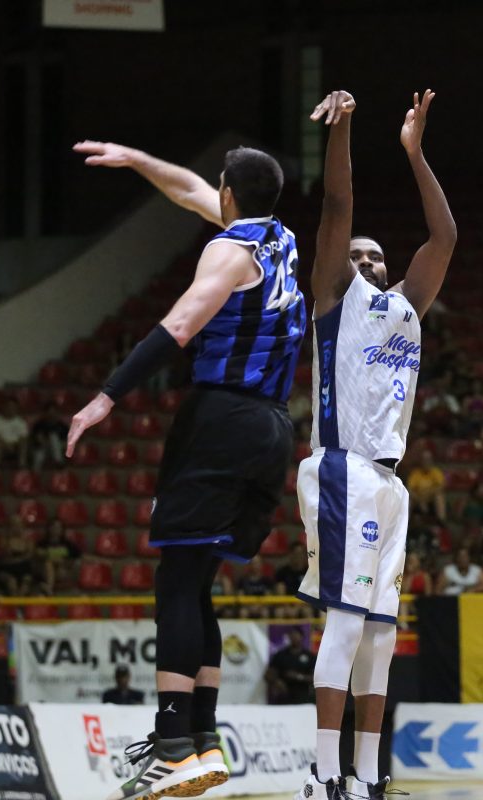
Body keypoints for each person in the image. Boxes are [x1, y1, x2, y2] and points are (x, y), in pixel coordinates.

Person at [69, 134, 305, 800]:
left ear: (231, 194)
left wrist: (106, 396)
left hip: (221, 420)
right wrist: (140, 161)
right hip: (272, 429)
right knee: (198, 582)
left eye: (218, 186)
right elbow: (190, 191)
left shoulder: (227, 251)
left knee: (175, 581)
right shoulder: (280, 239)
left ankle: (172, 745)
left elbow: (178, 326)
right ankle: (202, 742)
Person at [292, 89, 455, 800]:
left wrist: (415, 154)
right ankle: (323, 773)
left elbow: (444, 238)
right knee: (346, 622)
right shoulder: (335, 297)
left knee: (381, 633)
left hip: (390, 482)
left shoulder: (405, 309)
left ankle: (366, 775)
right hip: (342, 468)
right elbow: (337, 205)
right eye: (355, 254)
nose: (364, 260)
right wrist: (346, 130)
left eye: (375, 256)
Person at [266, 628, 315, 705]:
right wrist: (276, 681)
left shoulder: (309, 656)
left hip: (304, 696)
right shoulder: (281, 655)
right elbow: (268, 674)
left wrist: (298, 676)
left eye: (296, 635)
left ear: (302, 637)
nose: (294, 637)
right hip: (284, 696)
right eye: (291, 635)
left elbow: (315, 678)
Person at [36, 520, 80, 595]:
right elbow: (39, 554)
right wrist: (57, 556)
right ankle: (49, 588)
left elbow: (78, 556)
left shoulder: (67, 544)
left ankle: (48, 588)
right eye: (53, 527)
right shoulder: (42, 543)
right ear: (49, 529)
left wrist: (53, 556)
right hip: (44, 572)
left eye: (58, 527)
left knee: (54, 564)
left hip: (62, 571)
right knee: (48, 563)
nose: (56, 530)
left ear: (62, 529)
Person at [0, 516, 36, 596]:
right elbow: (6, 554)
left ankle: (19, 602)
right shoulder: (4, 539)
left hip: (24, 569)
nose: (17, 527)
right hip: (7, 569)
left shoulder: (28, 541)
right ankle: (14, 602)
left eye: (19, 525)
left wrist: (15, 559)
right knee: (12, 582)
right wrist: (10, 538)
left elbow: (29, 555)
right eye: (14, 525)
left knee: (25, 583)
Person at [407, 448, 448, 522]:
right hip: (417, 500)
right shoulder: (415, 473)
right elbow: (410, 490)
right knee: (408, 500)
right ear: (421, 461)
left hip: (431, 500)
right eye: (424, 460)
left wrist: (426, 497)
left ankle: (441, 523)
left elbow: (440, 487)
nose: (426, 462)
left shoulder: (436, 472)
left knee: (439, 497)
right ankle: (406, 523)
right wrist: (420, 500)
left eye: (428, 459)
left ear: (432, 461)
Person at [0, 399, 30, 469]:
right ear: (4, 407)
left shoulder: (21, 422)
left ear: (16, 409)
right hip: (1, 444)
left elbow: (23, 437)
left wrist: (12, 445)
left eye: (13, 407)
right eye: (8, 407)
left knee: (24, 442)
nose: (10, 409)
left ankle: (22, 465)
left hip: (15, 446)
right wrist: (6, 444)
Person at [31, 402, 69, 470]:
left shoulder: (62, 426)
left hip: (59, 449)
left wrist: (60, 444)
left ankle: (58, 462)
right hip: (42, 448)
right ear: (45, 413)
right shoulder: (38, 425)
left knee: (53, 437)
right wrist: (43, 441)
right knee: (39, 455)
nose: (52, 416)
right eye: (50, 413)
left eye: (53, 413)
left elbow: (67, 442)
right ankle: (35, 473)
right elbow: (35, 440)